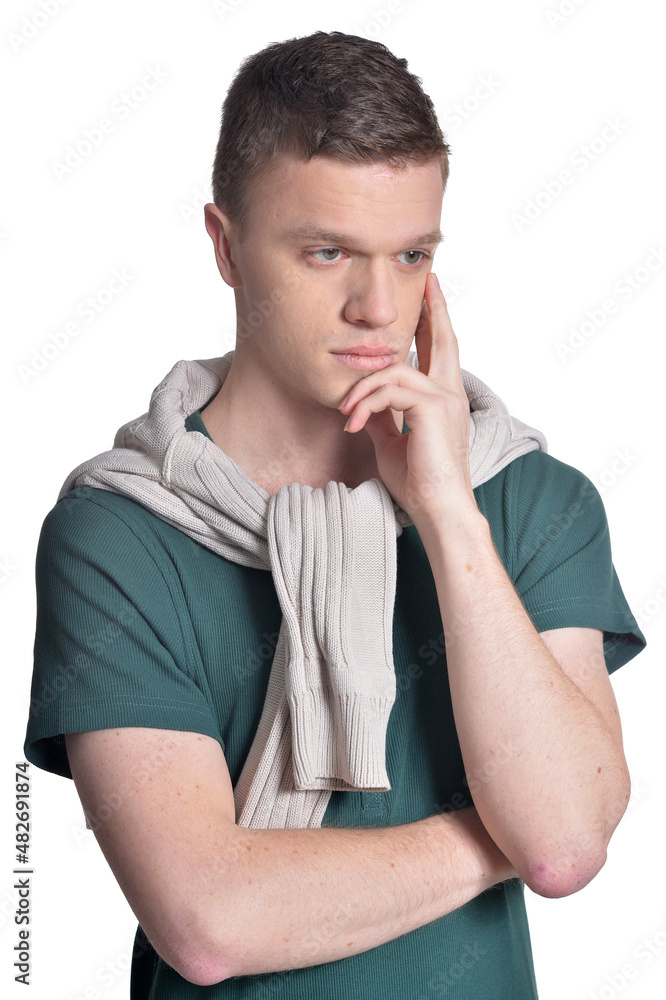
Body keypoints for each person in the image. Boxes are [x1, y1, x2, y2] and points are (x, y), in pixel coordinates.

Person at [24, 29, 646, 999]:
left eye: (411, 256)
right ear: (225, 247)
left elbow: (565, 849)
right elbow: (208, 920)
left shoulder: (527, 498)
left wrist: (444, 511)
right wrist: (501, 838)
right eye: (327, 252)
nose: (377, 306)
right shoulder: (118, 534)